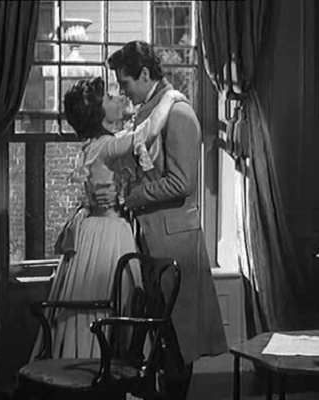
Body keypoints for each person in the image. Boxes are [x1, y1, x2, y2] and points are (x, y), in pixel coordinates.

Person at [95, 41, 228, 399]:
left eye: (125, 82)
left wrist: (131, 197)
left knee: (177, 340)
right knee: (159, 338)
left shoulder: (178, 113)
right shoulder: (150, 113)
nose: (123, 90)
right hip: (151, 239)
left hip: (174, 242)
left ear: (144, 74)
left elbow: (182, 183)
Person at [30, 76, 185, 360]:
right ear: (98, 112)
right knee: (112, 298)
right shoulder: (106, 146)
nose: (117, 98)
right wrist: (170, 98)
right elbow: (147, 132)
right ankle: (99, 363)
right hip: (108, 232)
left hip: (94, 229)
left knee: (106, 298)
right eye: (109, 98)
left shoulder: (95, 144)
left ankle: (91, 360)